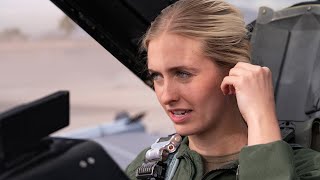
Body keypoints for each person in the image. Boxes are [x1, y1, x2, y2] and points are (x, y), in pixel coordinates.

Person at [126, 0, 320, 179]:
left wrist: (260, 113)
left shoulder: (308, 168)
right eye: (156, 76)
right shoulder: (149, 167)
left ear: (234, 71)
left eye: (183, 74)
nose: (167, 95)